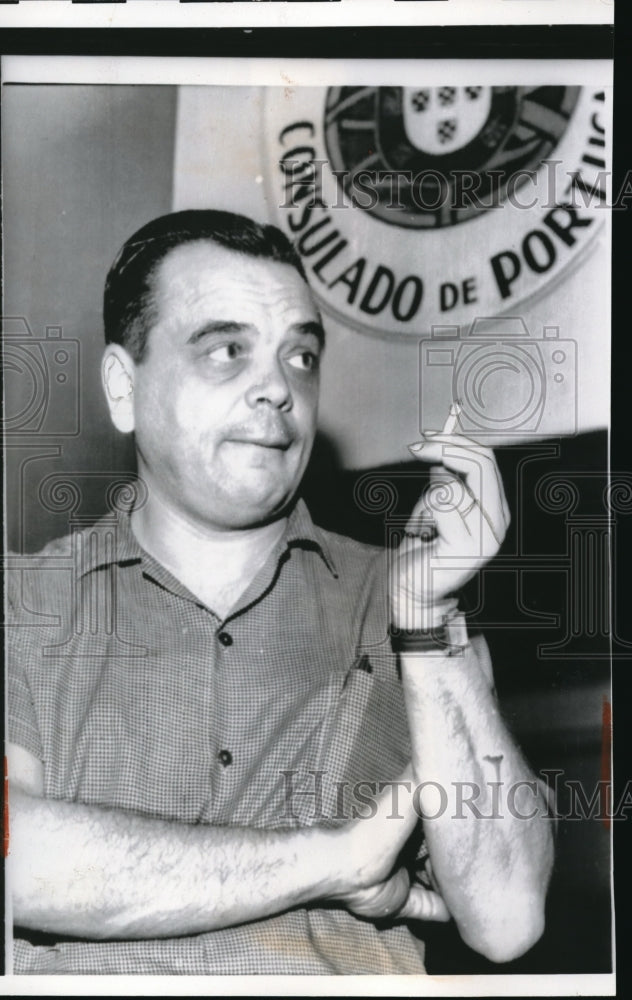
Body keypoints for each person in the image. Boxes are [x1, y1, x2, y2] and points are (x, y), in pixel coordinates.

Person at [7, 210, 554, 975]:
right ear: (122, 390)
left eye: (300, 356)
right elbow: (16, 858)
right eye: (227, 351)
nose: (276, 387)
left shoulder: (397, 598)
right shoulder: (21, 602)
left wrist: (426, 624)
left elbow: (509, 917)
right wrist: (335, 861)